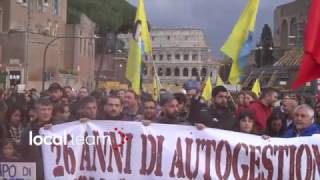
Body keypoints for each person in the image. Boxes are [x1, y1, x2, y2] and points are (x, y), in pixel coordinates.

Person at [21, 98, 54, 180]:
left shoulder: (59, 127)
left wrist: (84, 123)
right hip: (36, 174)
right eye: (43, 109)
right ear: (37, 112)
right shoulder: (28, 131)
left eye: (49, 109)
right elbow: (23, 153)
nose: (46, 112)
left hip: (55, 172)